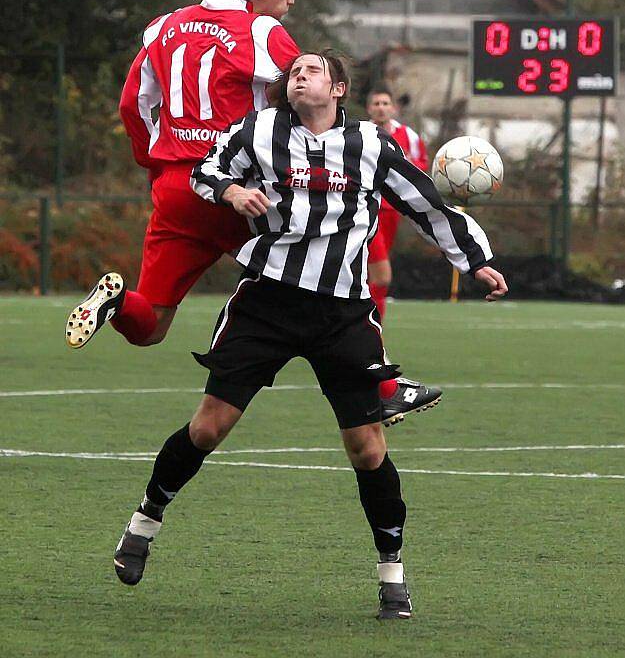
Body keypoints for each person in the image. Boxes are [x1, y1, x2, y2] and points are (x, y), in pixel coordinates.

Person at [113, 51, 508, 619]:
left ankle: (392, 575)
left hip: (342, 315)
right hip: (268, 301)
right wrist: (231, 192)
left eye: (311, 70)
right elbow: (204, 170)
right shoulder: (258, 130)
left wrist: (475, 261)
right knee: (208, 428)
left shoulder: (370, 143)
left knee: (367, 449)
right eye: (293, 72)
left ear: (339, 88)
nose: (298, 76)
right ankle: (143, 523)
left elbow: (427, 204)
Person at [65, 0, 302, 349]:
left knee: (150, 326)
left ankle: (118, 302)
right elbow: (307, 100)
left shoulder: (166, 25)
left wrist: (152, 162)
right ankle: (381, 386)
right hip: (242, 194)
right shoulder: (264, 31)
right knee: (320, 292)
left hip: (176, 188)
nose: (292, 0)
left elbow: (132, 104)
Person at [366, 89, 428, 321]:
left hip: (393, 211)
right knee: (381, 276)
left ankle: (374, 336)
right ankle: (363, 330)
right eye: (376, 103)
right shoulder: (362, 133)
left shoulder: (408, 136)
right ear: (369, 108)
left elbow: (420, 166)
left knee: (375, 280)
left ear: (393, 108)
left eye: (385, 103)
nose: (381, 107)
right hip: (366, 211)